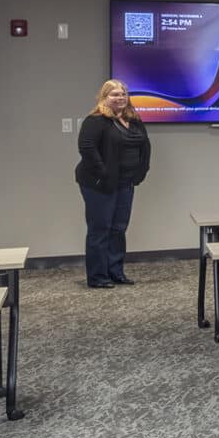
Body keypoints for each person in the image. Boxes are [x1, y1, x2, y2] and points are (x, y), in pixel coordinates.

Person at [75, 78, 150, 289]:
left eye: (123, 94)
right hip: (99, 184)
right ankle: (98, 276)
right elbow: (87, 148)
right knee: (100, 229)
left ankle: (116, 272)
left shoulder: (133, 119)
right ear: (104, 97)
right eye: (115, 94)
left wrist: (141, 171)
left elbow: (145, 147)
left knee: (119, 228)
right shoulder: (96, 120)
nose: (120, 98)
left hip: (126, 182)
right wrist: (104, 173)